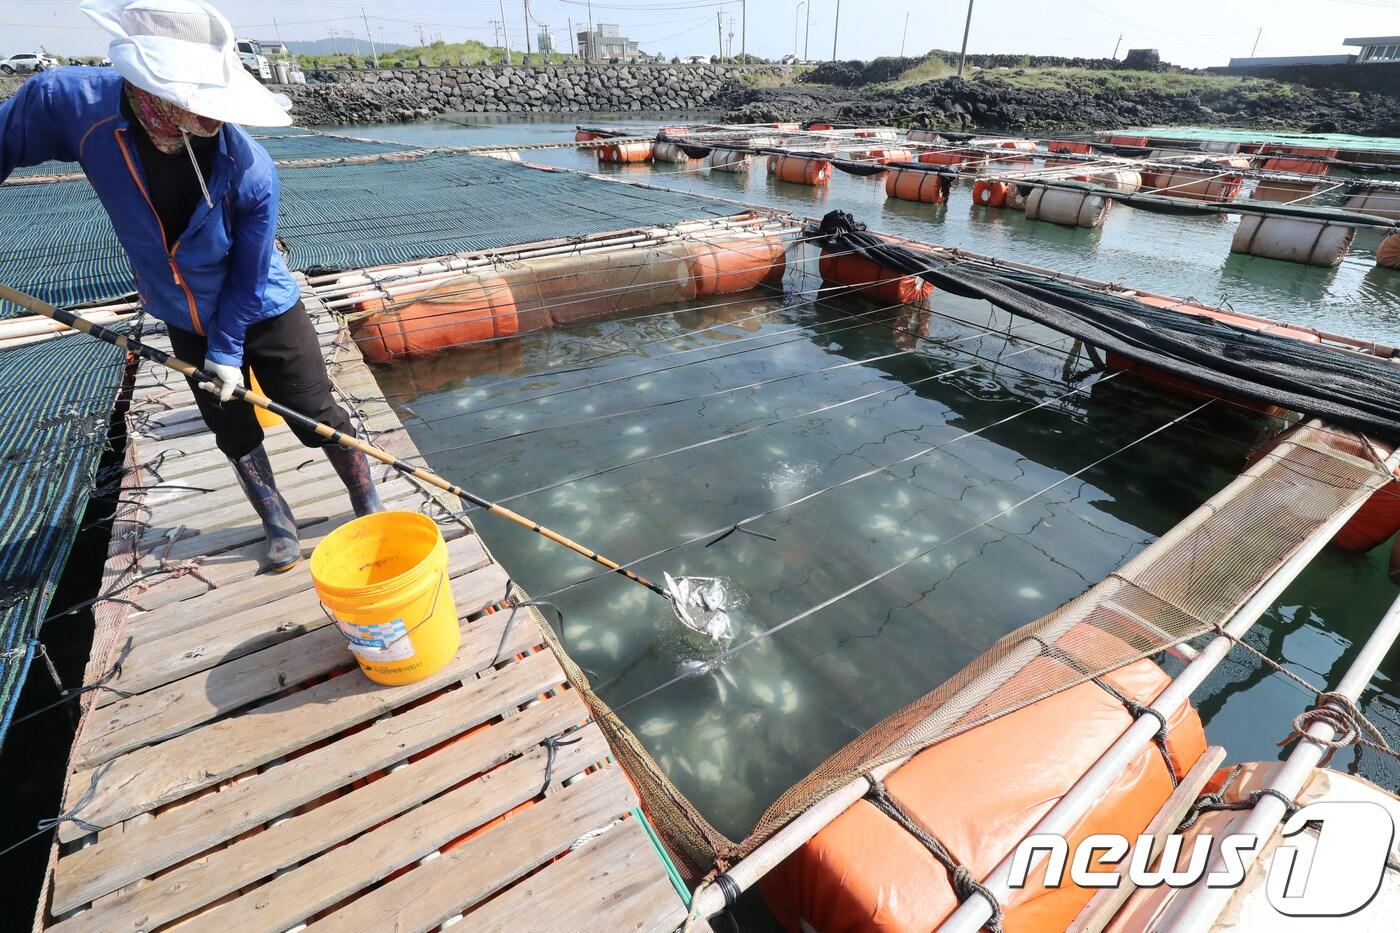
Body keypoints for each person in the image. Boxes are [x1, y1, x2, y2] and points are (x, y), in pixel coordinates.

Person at [0, 0, 383, 572]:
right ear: (151, 90)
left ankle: (364, 496)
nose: (213, 119)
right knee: (228, 425)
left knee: (312, 409)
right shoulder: (71, 104)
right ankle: (275, 515)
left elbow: (251, 273)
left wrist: (227, 351)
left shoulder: (251, 170)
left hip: (264, 304)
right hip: (180, 309)